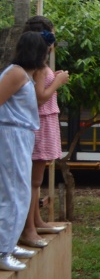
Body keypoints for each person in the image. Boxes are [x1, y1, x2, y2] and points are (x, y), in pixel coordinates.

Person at [20, 16, 69, 246]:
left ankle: (36, 221)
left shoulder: (39, 64)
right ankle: (29, 228)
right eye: (52, 36)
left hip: (45, 121)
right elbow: (40, 98)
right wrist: (58, 82)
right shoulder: (39, 66)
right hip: (41, 122)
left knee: (36, 181)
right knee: (34, 181)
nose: (53, 43)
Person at [1, 32, 47, 270]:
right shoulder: (16, 73)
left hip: (21, 135)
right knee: (13, 192)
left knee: (20, 191)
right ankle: (2, 249)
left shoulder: (25, 74)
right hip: (11, 134)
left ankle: (9, 242)